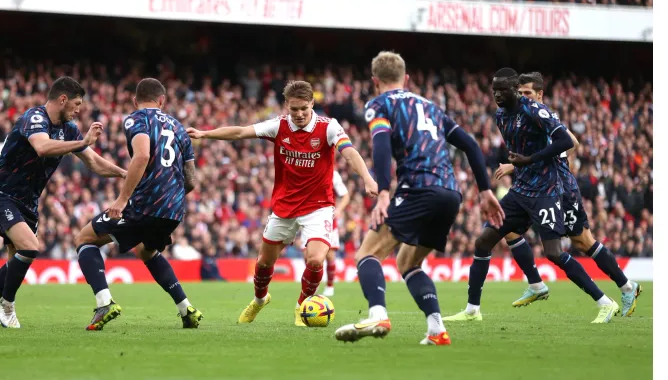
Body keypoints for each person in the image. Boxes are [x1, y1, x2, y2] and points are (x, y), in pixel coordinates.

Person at [334, 51, 505, 346]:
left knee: (367, 254)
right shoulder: (431, 106)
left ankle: (377, 313)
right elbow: (471, 145)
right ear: (407, 79)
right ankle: (436, 328)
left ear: (375, 81)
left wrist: (384, 192)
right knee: (408, 262)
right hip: (450, 195)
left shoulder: (379, 104)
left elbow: (381, 145)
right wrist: (486, 190)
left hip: (417, 189)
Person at [187, 80, 378, 326]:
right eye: (294, 109)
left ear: (312, 104)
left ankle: (302, 307)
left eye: (303, 109)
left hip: (318, 206)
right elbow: (240, 132)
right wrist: (205, 133)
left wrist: (366, 177)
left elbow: (350, 152)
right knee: (264, 262)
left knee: (316, 260)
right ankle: (259, 300)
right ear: (287, 105)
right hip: (285, 206)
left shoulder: (328, 127)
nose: (298, 114)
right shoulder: (278, 126)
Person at [443, 68, 620, 325]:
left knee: (554, 253)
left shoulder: (536, 110)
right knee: (483, 240)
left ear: (514, 89)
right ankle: (472, 309)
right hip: (520, 191)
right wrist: (519, 164)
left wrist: (530, 159)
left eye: (501, 90)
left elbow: (565, 142)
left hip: (545, 191)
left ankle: (605, 302)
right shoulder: (501, 115)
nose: (496, 95)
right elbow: (521, 149)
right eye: (493, 91)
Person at [0, 77, 126, 328]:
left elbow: (94, 162)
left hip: (28, 202)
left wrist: (124, 174)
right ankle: (7, 305)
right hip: (1, 194)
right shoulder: (34, 118)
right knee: (30, 248)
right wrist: (83, 143)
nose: (79, 110)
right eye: (76, 104)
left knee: (17, 258)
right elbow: (42, 147)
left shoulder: (69, 129)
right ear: (63, 100)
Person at [492, 72, 642, 315]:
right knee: (508, 228)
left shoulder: (543, 116)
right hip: (534, 189)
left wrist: (550, 164)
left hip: (559, 190)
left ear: (539, 95)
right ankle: (535, 283)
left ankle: (626, 286)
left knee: (583, 242)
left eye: (528, 93)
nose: (523, 97)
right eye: (521, 93)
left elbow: (571, 143)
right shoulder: (521, 117)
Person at [73, 78, 203, 331]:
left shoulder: (136, 119)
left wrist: (122, 200)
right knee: (146, 250)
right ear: (162, 100)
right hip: (174, 209)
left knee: (85, 238)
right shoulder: (178, 127)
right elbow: (191, 181)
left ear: (135, 100)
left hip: (145, 203)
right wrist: (168, 208)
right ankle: (186, 308)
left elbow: (142, 154)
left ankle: (104, 303)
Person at [299, 169, 350, 297]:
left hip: (327, 218)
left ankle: (330, 286)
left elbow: (345, 195)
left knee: (329, 254)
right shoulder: (305, 170)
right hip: (308, 216)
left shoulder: (333, 174)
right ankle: (312, 287)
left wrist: (338, 210)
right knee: (307, 255)